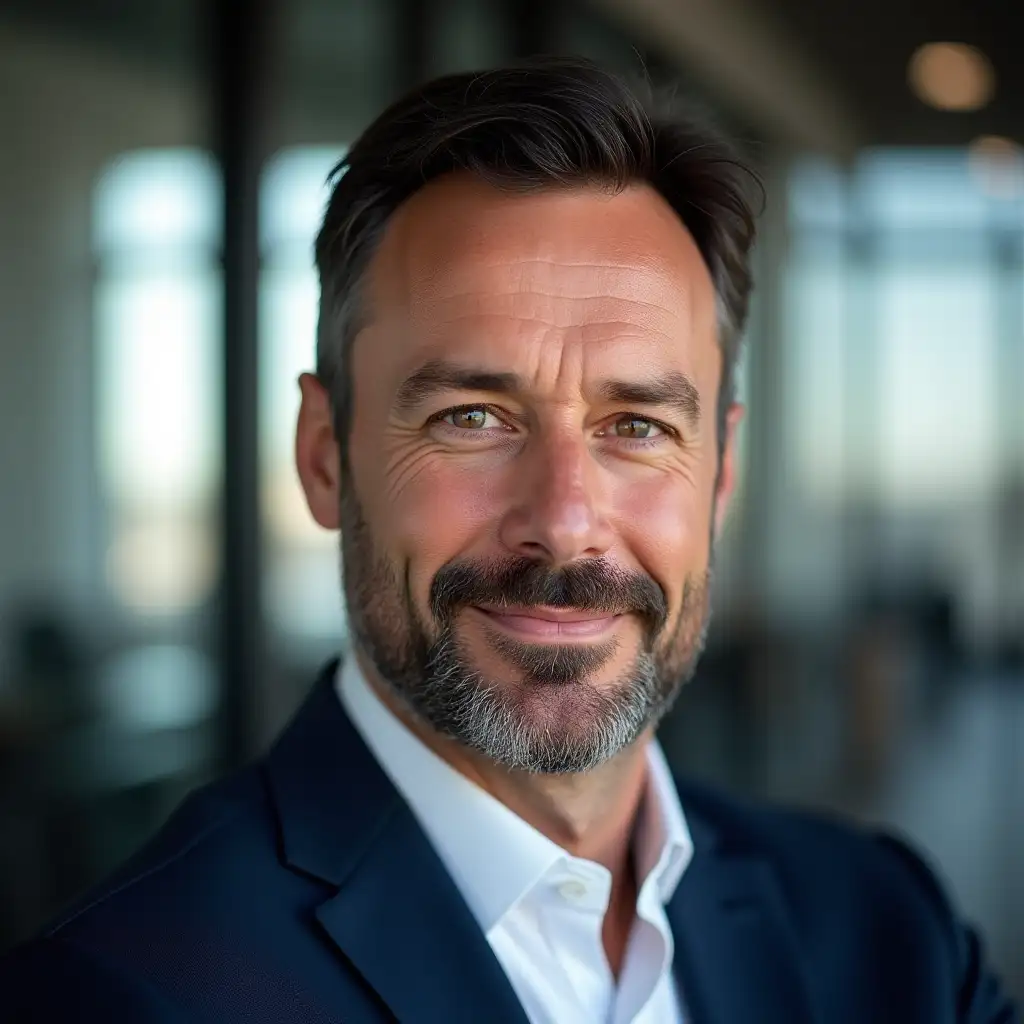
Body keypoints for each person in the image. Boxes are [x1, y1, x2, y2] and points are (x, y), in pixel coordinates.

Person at [0, 56, 1017, 1024]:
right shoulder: (123, 990)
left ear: (719, 472)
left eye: (637, 426)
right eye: (472, 416)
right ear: (323, 457)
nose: (565, 520)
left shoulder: (891, 933)